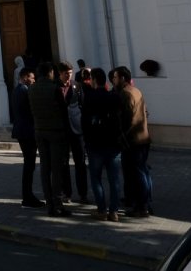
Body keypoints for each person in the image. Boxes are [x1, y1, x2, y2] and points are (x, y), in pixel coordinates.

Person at [28, 61, 71, 217]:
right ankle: (58, 203)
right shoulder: (55, 89)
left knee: (45, 168)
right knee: (57, 169)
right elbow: (63, 111)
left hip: (40, 131)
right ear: (50, 73)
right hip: (56, 131)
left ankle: (49, 203)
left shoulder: (31, 89)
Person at [82, 67, 123, 222]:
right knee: (114, 179)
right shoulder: (114, 97)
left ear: (93, 80)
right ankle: (114, 211)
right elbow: (120, 120)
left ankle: (101, 210)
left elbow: (84, 122)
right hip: (113, 144)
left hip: (95, 144)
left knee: (96, 177)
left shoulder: (89, 98)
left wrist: (86, 141)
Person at [115, 66, 152, 218]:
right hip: (143, 138)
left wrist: (120, 135)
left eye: (116, 77)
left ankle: (141, 207)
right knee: (142, 172)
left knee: (137, 174)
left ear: (122, 78)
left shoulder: (124, 94)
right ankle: (144, 202)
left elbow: (124, 118)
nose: (114, 80)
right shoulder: (136, 91)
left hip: (132, 140)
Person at [11, 66, 43, 208]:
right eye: (32, 77)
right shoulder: (25, 91)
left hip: (22, 131)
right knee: (29, 165)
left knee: (29, 165)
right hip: (27, 132)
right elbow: (31, 111)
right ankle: (27, 197)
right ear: (25, 77)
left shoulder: (17, 90)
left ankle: (28, 196)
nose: (34, 80)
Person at [59, 62, 88, 205]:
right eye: (66, 73)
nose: (68, 75)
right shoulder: (55, 87)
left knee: (80, 163)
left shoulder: (77, 86)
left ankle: (83, 194)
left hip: (77, 130)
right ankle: (67, 193)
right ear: (60, 73)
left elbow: (83, 105)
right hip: (63, 130)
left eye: (70, 72)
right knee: (64, 164)